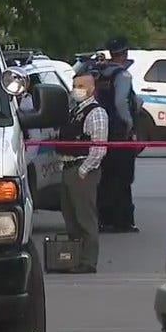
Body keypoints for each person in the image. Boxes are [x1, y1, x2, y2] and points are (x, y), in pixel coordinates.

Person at [56, 71, 109, 274]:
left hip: (82, 169)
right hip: (69, 167)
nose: (76, 90)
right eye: (75, 85)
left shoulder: (95, 113)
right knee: (70, 217)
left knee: (85, 218)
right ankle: (74, 259)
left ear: (92, 89)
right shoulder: (75, 110)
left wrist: (84, 170)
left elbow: (99, 147)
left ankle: (88, 261)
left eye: (81, 86)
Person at [95, 37, 141, 233]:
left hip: (103, 129)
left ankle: (105, 218)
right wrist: (129, 123)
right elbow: (121, 102)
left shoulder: (102, 73)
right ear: (125, 53)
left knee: (106, 176)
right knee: (123, 177)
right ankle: (122, 220)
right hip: (119, 132)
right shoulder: (122, 75)